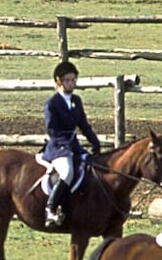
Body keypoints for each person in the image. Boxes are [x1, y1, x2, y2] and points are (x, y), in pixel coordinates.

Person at [38, 60, 103, 226]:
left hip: (73, 145)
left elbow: (83, 124)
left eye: (73, 79)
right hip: (58, 147)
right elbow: (52, 130)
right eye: (67, 80)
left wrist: (94, 142)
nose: (71, 83)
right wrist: (67, 146)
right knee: (67, 172)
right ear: (59, 81)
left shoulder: (76, 100)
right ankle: (50, 209)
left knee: (91, 168)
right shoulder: (51, 104)